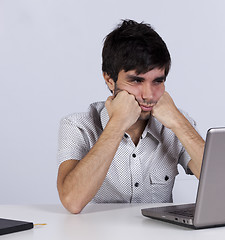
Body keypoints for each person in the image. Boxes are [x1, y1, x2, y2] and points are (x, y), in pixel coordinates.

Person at [56, 20, 205, 214]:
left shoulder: (176, 123)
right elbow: (72, 201)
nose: (149, 95)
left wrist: (178, 122)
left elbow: (223, 184)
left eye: (158, 81)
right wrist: (117, 123)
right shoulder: (78, 125)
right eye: (136, 80)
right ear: (110, 80)